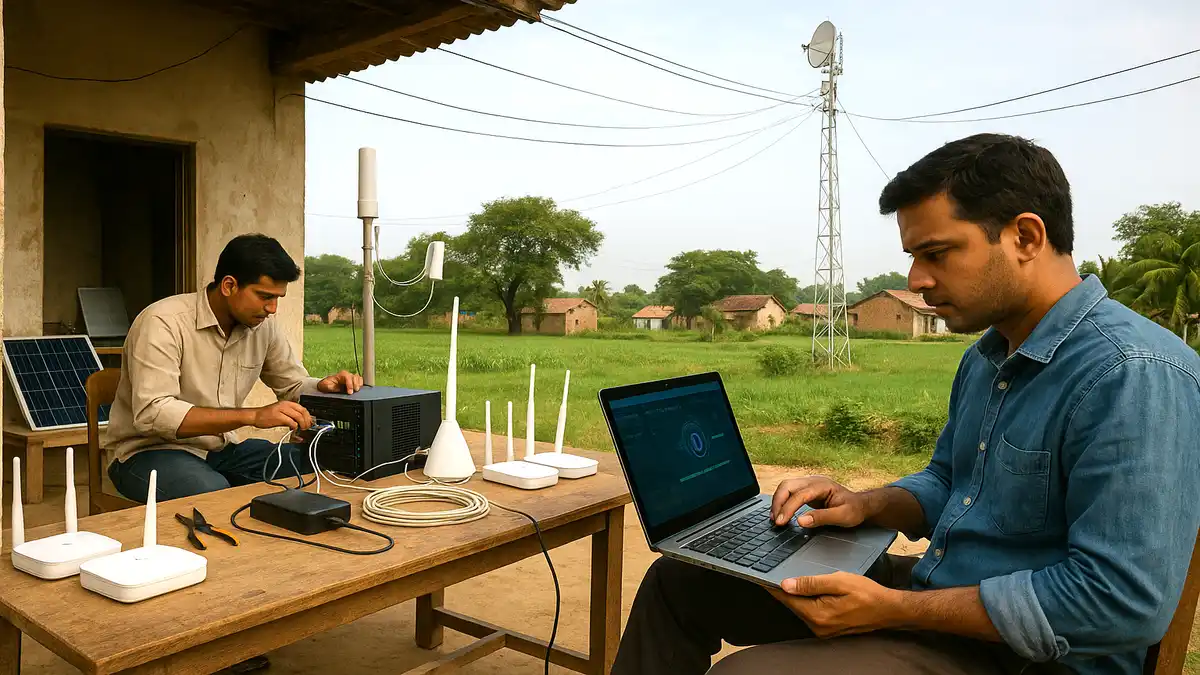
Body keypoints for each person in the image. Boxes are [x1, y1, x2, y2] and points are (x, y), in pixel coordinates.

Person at [611, 134, 1200, 675]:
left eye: (937, 253)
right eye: (913, 257)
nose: (915, 280)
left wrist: (892, 610)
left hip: (1029, 658)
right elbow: (951, 482)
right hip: (939, 595)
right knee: (679, 580)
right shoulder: (989, 356)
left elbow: (1122, 602)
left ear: (1026, 237)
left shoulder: (1133, 376)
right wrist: (866, 505)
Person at [105, 233, 363, 503]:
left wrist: (320, 387)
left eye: (278, 298)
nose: (272, 309)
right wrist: (252, 416)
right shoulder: (163, 322)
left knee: (322, 463)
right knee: (212, 494)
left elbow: (292, 385)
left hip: (222, 449)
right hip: (147, 453)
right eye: (264, 296)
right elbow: (154, 413)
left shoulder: (263, 328)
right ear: (229, 285)